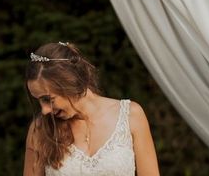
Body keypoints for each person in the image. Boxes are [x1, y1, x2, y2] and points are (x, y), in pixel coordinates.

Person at [23, 42, 160, 176]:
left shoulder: (131, 115)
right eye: (39, 100)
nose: (44, 110)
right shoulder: (40, 130)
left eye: (48, 99)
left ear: (70, 83)